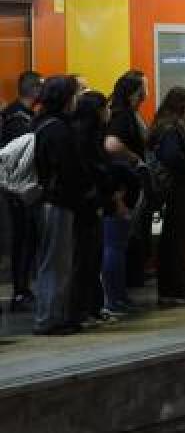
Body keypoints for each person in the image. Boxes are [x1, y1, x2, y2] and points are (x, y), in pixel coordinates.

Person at [31, 76, 88, 335]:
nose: (78, 100)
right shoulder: (59, 129)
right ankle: (49, 319)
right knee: (56, 262)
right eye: (75, 95)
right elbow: (68, 169)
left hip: (49, 201)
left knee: (54, 261)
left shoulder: (45, 124)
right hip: (59, 202)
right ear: (65, 98)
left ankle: (53, 315)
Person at [148, 86, 185, 305]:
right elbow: (172, 157)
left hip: (172, 189)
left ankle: (179, 287)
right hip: (175, 189)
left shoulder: (169, 126)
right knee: (176, 239)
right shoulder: (170, 130)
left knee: (176, 239)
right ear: (184, 105)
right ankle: (174, 290)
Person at [104, 70, 149, 295]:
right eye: (144, 89)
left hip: (124, 184)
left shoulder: (120, 113)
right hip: (121, 186)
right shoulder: (123, 116)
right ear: (134, 93)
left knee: (120, 242)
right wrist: (135, 159)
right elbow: (112, 144)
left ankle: (118, 294)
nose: (146, 94)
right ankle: (114, 296)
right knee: (116, 243)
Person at [70, 90, 111, 327]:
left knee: (92, 258)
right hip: (86, 205)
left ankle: (92, 308)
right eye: (105, 107)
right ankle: (82, 311)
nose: (108, 111)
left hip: (92, 202)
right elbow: (91, 171)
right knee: (85, 259)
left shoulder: (92, 135)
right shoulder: (84, 138)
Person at [3, 70, 43, 311]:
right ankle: (20, 291)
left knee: (25, 240)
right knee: (23, 240)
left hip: (16, 188)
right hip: (18, 189)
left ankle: (23, 289)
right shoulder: (19, 119)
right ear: (35, 89)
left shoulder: (18, 115)